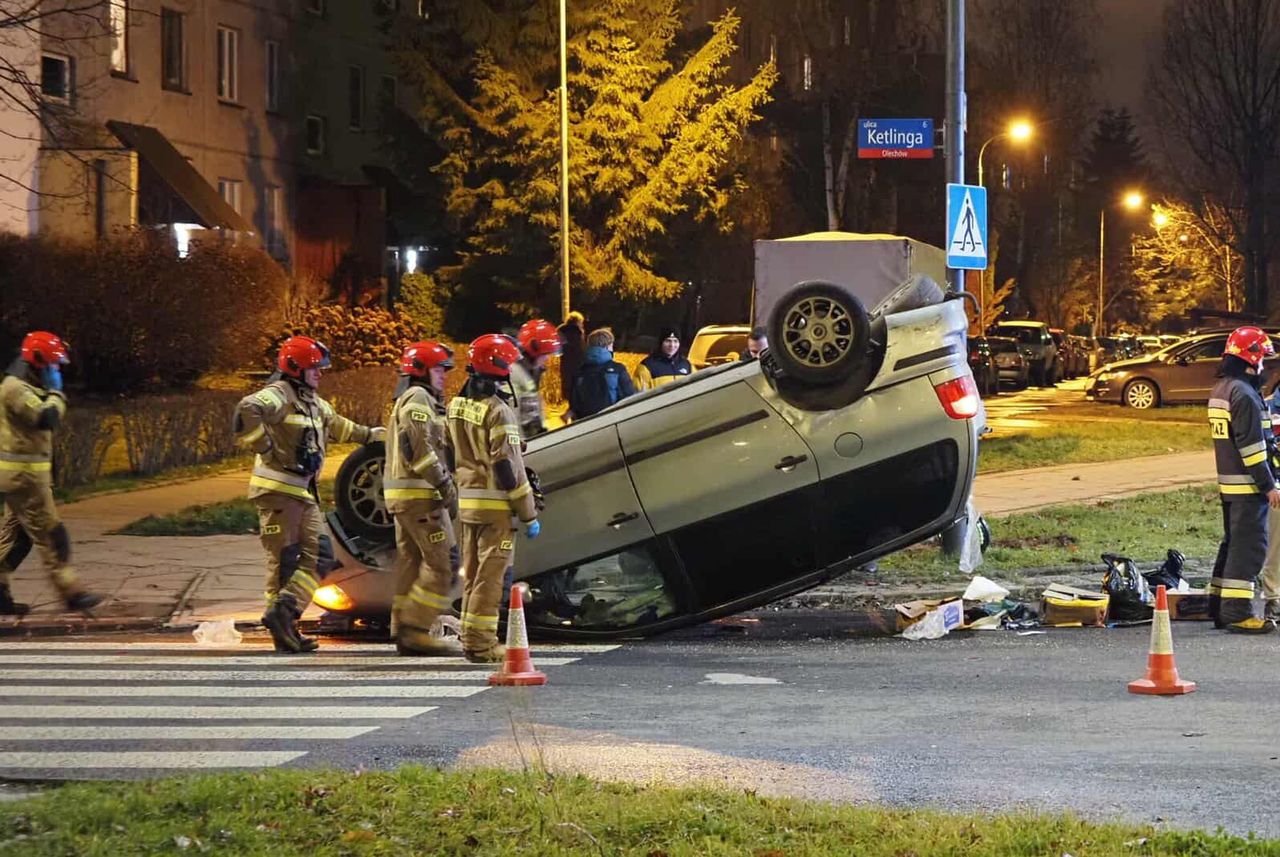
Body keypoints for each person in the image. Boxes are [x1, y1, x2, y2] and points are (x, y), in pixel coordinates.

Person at [235, 335, 385, 653]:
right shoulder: (278, 395)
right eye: (315, 368)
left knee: (323, 557)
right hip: (277, 494)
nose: (320, 373)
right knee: (285, 562)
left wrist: (373, 436)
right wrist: (268, 449)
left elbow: (340, 426)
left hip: (302, 495)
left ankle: (283, 613)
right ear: (295, 368)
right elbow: (246, 411)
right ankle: (284, 630)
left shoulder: (313, 402)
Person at [448, 335, 540, 663]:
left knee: (473, 576)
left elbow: (457, 450)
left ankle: (471, 638)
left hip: (468, 504)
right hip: (495, 509)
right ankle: (482, 645)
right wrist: (528, 514)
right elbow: (506, 466)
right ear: (499, 365)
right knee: (490, 579)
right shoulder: (499, 410)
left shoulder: (458, 404)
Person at [0, 332, 103, 615]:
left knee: (16, 539)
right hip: (24, 479)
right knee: (52, 535)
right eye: (52, 365)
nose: (56, 370)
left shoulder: (24, 385)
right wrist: (57, 392)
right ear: (36, 362)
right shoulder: (15, 389)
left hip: (22, 477)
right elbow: (46, 418)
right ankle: (72, 594)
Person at [385, 341, 460, 656]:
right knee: (444, 564)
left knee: (412, 564)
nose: (443, 375)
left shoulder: (414, 398)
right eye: (438, 369)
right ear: (421, 371)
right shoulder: (418, 399)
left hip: (407, 499)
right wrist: (445, 485)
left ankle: (401, 627)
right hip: (421, 499)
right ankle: (416, 630)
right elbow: (419, 451)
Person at [1207, 326, 1280, 634]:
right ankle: (1237, 612)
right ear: (1251, 358)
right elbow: (1252, 449)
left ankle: (1219, 606)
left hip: (1229, 484)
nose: (1264, 365)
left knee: (1232, 546)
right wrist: (1268, 486)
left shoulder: (1222, 389)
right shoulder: (1246, 395)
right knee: (1249, 549)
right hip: (1248, 486)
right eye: (1262, 357)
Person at [510, 319, 562, 440]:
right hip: (521, 445)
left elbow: (535, 408)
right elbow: (513, 415)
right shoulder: (515, 373)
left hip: (530, 440)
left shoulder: (532, 372)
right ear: (533, 350)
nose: (547, 358)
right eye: (545, 354)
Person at [568, 328, 636, 420]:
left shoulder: (579, 372)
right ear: (608, 347)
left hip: (585, 424)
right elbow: (629, 397)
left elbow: (574, 403)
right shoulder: (617, 369)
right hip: (612, 421)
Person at [556, 311, 586, 405]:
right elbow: (581, 347)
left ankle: (570, 406)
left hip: (565, 363)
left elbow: (557, 348)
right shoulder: (578, 331)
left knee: (568, 386)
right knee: (578, 388)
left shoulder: (560, 330)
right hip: (578, 362)